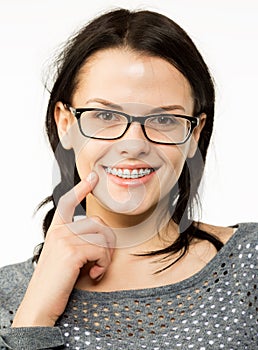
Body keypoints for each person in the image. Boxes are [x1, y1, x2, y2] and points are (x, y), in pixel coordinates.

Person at [0, 7, 257, 350]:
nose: (134, 144)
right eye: (105, 114)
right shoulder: (9, 296)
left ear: (195, 134)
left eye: (164, 120)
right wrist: (33, 320)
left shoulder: (249, 267)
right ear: (65, 124)